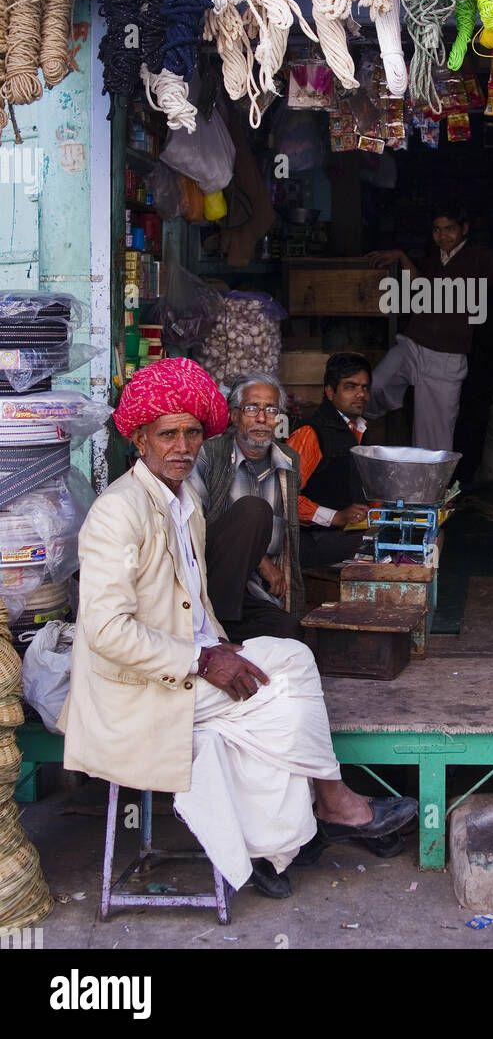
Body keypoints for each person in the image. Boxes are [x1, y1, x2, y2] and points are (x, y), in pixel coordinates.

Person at [58, 357, 418, 900]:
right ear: (140, 441)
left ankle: (284, 841)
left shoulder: (188, 501)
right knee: (277, 701)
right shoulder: (118, 512)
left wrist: (219, 643)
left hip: (186, 660)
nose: (182, 446)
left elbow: (192, 598)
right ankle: (326, 808)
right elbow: (106, 631)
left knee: (289, 660)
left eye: (192, 433)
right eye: (168, 435)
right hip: (136, 692)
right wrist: (202, 659)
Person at [365, 200, 493, 451]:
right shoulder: (433, 257)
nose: (443, 236)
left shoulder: (478, 259)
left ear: (464, 228)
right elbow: (422, 289)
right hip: (413, 345)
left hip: (446, 360)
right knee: (373, 385)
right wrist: (402, 257)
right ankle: (357, 427)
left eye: (449, 229)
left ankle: (433, 490)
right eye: (437, 230)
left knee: (434, 442)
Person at [191, 371, 304, 643]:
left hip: (253, 591)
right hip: (212, 580)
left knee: (291, 634)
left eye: (271, 410)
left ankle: (222, 633)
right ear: (234, 416)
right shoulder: (210, 454)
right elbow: (191, 525)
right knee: (254, 510)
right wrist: (261, 561)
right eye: (252, 408)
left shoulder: (288, 461)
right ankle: (213, 625)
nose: (262, 418)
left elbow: (290, 534)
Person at [288, 352, 372, 569]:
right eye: (350, 386)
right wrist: (336, 517)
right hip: (314, 539)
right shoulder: (311, 433)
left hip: (343, 534)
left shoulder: (359, 430)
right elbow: (285, 497)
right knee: (383, 545)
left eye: (364, 387)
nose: (360, 394)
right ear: (330, 391)